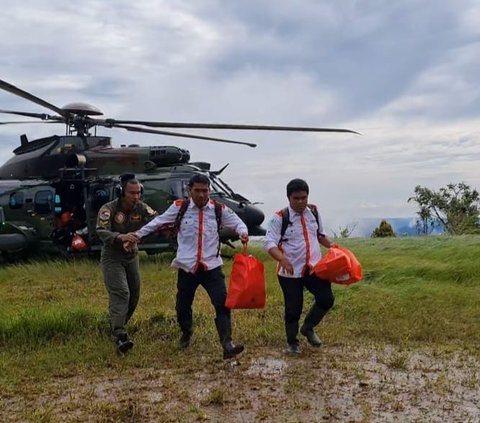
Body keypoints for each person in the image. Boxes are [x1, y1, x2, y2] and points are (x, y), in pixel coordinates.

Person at [130, 173, 249, 359]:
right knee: (182, 306)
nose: (201, 195)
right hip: (187, 268)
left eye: (205, 191)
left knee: (223, 304)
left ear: (209, 191)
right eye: (197, 191)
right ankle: (186, 332)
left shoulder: (219, 209)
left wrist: (243, 232)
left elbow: (238, 223)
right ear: (189, 191)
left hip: (212, 267)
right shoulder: (180, 207)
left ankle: (227, 344)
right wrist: (137, 235)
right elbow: (157, 222)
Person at [264, 178, 335, 354]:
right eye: (296, 198)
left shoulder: (314, 211)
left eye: (304, 197)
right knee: (293, 308)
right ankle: (292, 342)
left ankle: (308, 327)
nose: (301, 201)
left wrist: (334, 248)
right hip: (290, 272)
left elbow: (320, 235)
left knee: (326, 299)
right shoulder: (280, 217)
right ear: (289, 198)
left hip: (313, 268)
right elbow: (268, 243)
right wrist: (281, 258)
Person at [96, 174, 157, 354]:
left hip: (132, 255)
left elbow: (156, 219)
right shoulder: (109, 209)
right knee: (121, 292)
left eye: (138, 193)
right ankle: (119, 335)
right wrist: (120, 237)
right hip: (112, 256)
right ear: (122, 192)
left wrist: (140, 235)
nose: (136, 197)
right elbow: (100, 230)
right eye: (132, 193)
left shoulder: (141, 207)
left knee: (134, 294)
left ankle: (117, 324)